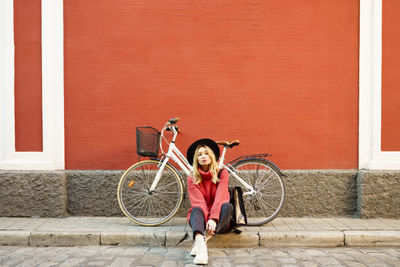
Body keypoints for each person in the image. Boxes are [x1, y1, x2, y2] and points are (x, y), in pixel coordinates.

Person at [186, 138, 233, 265]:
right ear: (196, 159)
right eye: (199, 154)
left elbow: (221, 197)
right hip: (200, 218)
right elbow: (198, 202)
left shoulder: (222, 173)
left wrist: (213, 218)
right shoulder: (192, 177)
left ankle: (202, 240)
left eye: (206, 153)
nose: (203, 156)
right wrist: (208, 220)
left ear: (211, 156)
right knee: (196, 209)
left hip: (219, 220)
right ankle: (201, 247)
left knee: (228, 206)